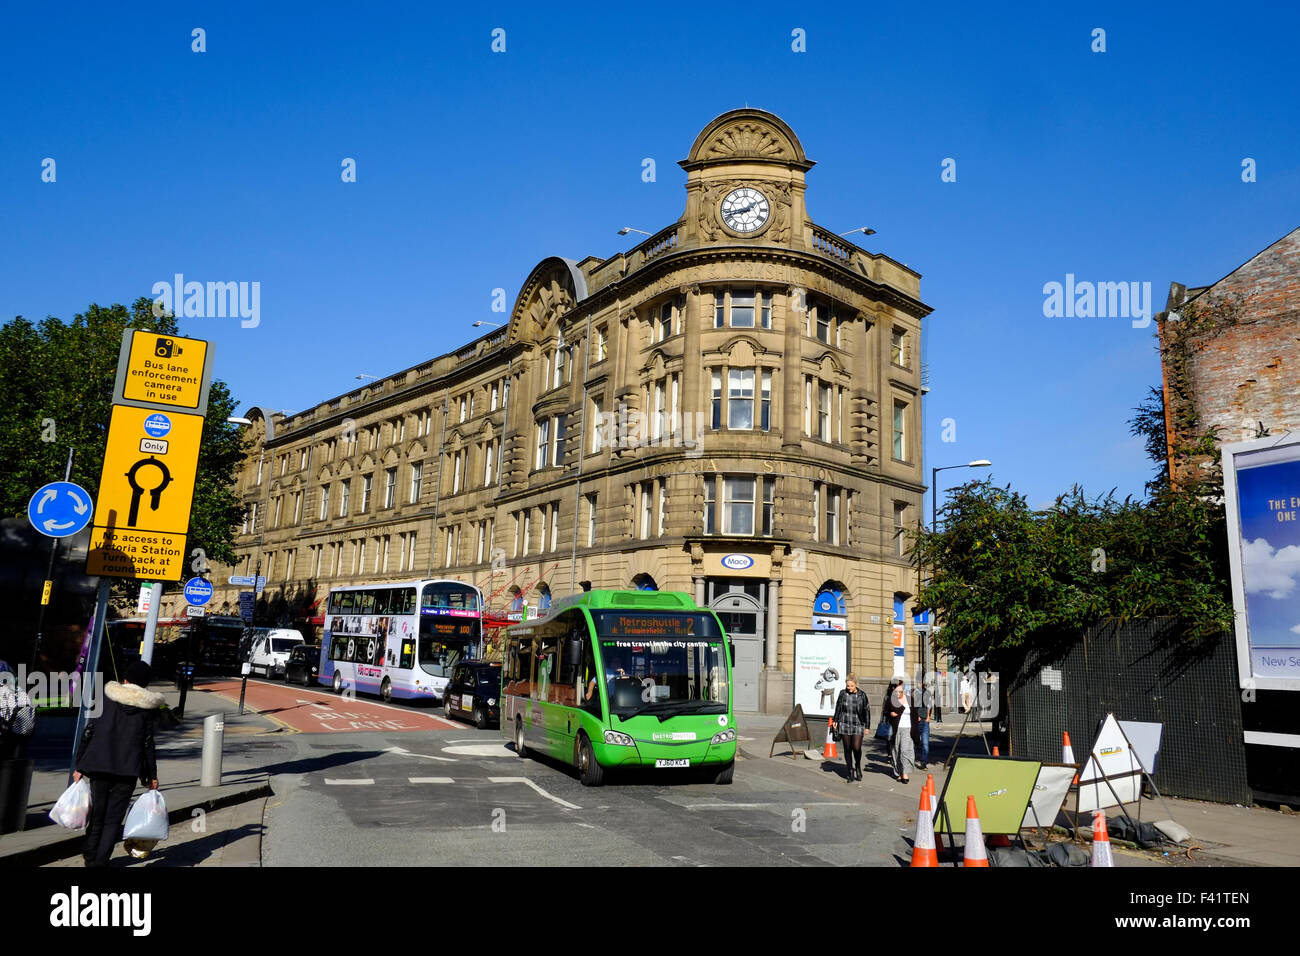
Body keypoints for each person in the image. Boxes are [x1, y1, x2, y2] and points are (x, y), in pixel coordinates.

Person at [73, 660, 164, 867]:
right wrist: (152, 776)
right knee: (113, 819)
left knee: (97, 814)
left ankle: (90, 855)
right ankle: (101, 861)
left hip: (99, 766)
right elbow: (148, 744)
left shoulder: (106, 699)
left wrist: (79, 764)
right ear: (145, 685)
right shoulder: (146, 709)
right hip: (127, 770)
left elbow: (89, 732)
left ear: (125, 679)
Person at [829, 674, 870, 782]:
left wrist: (867, 726)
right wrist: (835, 721)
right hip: (845, 723)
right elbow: (838, 707)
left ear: (856, 684)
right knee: (847, 748)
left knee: (856, 747)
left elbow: (866, 711)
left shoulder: (862, 695)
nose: (849, 688)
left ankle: (857, 766)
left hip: (858, 724)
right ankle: (850, 771)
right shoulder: (843, 694)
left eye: (851, 686)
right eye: (848, 686)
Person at [886, 680, 915, 783]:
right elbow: (886, 712)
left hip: (908, 728)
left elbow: (915, 713)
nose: (899, 693)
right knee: (896, 750)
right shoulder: (891, 700)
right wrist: (890, 714)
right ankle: (899, 772)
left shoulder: (910, 699)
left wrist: (920, 718)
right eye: (896, 691)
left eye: (901, 691)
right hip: (896, 728)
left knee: (905, 750)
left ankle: (905, 773)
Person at [913, 680, 933, 770]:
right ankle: (910, 760)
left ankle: (923, 762)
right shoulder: (913, 692)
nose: (919, 683)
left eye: (920, 682)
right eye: (918, 682)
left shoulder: (927, 693)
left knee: (925, 743)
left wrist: (928, 717)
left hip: (924, 721)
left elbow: (929, 706)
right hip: (915, 721)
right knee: (913, 742)